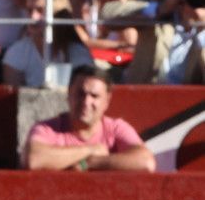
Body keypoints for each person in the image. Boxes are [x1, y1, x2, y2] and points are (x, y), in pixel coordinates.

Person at [24, 63, 156, 170]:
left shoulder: (115, 129)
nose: (86, 102)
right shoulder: (47, 129)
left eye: (94, 96)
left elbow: (146, 163)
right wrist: (90, 150)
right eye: (80, 94)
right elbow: (33, 160)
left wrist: (90, 163)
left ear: (107, 101)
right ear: (69, 94)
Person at [1, 0, 91, 84]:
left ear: (58, 13)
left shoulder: (78, 53)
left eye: (40, 10)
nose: (33, 17)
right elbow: (13, 96)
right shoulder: (17, 51)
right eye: (29, 10)